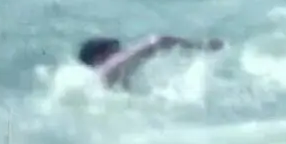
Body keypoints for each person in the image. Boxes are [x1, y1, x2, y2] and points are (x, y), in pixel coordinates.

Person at [78, 34, 224, 89]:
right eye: (116, 50)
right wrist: (200, 46)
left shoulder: (95, 83)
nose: (123, 53)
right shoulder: (109, 70)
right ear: (99, 58)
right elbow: (157, 42)